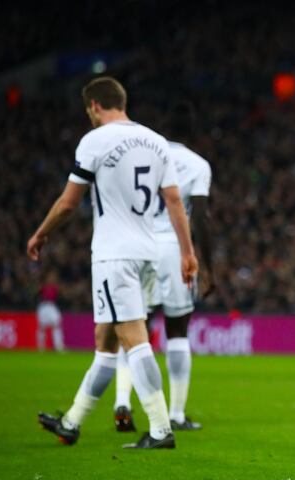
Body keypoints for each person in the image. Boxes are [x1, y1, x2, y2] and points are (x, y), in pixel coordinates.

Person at [27, 76, 198, 449]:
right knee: (105, 343)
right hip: (150, 252)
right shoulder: (155, 141)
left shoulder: (95, 140)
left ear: (94, 106)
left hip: (114, 254)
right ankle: (72, 421)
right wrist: (187, 252)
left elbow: (70, 202)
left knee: (134, 340)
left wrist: (41, 233)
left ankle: (159, 428)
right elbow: (173, 201)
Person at [114, 101, 214, 432]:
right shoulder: (197, 164)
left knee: (132, 330)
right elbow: (200, 216)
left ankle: (122, 403)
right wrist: (208, 267)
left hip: (137, 245)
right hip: (173, 247)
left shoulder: (141, 158)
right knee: (177, 331)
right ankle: (176, 414)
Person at [36, 270, 65, 352]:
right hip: (43, 306)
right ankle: (41, 348)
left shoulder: (56, 287)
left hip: (52, 306)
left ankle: (59, 347)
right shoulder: (42, 286)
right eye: (50, 277)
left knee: (57, 324)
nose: (52, 278)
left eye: (53, 277)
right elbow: (36, 295)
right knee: (41, 327)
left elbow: (61, 295)